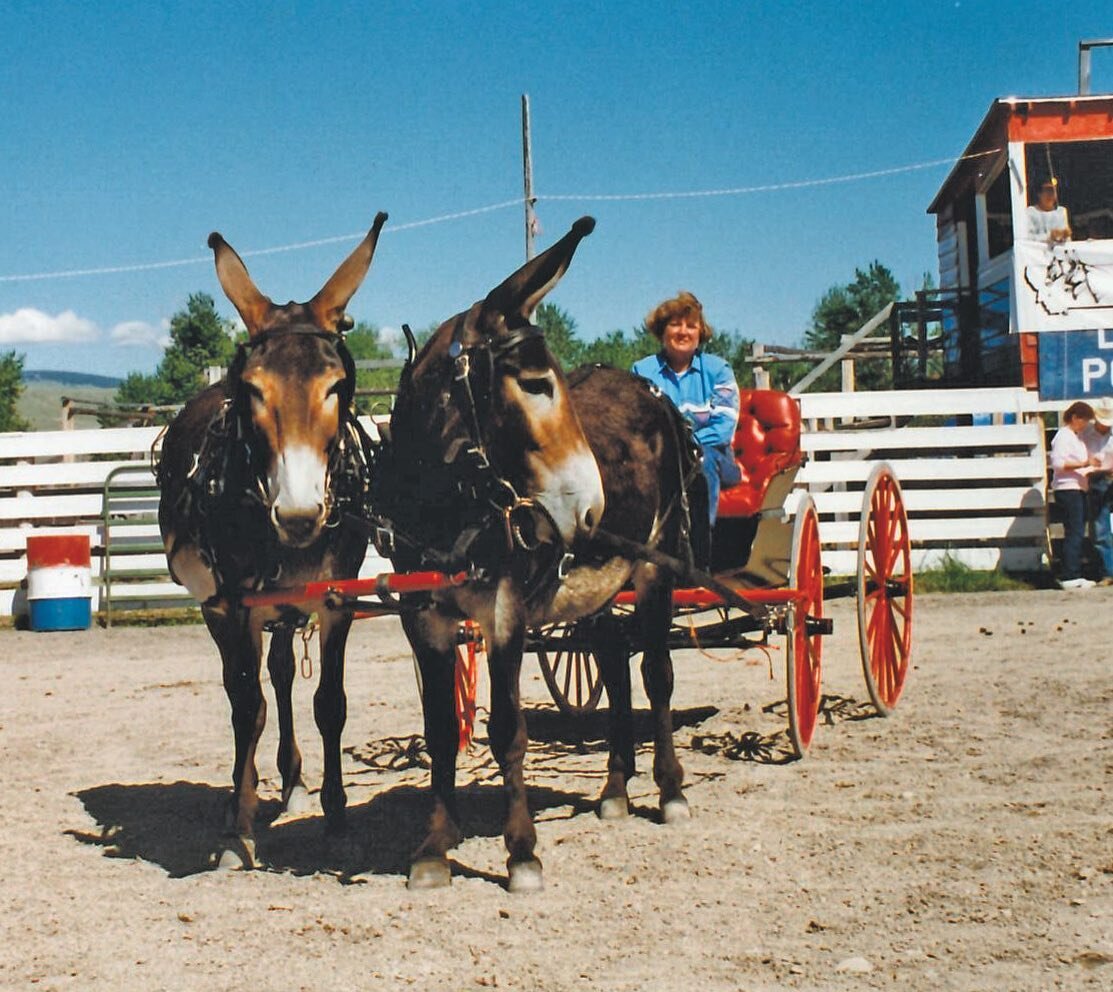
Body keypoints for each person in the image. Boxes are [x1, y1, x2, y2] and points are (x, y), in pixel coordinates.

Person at [631, 291, 740, 524]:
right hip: (657, 459)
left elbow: (723, 427)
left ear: (700, 332)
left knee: (702, 463)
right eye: (675, 324)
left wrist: (682, 448)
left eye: (691, 326)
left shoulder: (719, 369)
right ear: (662, 331)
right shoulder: (642, 371)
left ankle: (700, 545)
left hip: (712, 456)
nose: (683, 331)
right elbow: (635, 423)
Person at [1050, 400, 1100, 589]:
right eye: (1084, 420)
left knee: (1075, 530)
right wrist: (1085, 464)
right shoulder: (1064, 437)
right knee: (1075, 531)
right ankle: (1070, 574)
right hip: (1068, 487)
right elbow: (1058, 464)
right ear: (1075, 418)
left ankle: (1072, 572)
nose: (1085, 424)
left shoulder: (1074, 436)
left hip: (1075, 486)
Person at [1084, 398, 1113, 585]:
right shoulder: (1087, 434)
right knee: (1100, 528)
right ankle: (1109, 571)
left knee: (1101, 525)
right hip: (1097, 479)